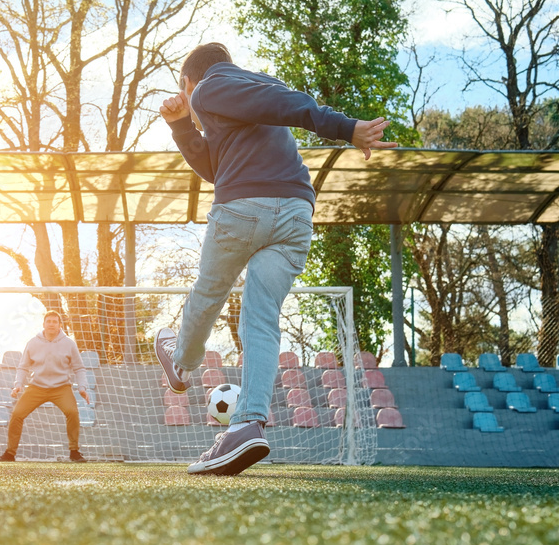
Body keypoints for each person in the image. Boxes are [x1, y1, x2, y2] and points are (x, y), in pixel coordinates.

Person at [155, 42, 397, 476]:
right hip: (295, 215)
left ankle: (180, 362)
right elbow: (217, 166)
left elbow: (287, 105)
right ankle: (247, 425)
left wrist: (346, 128)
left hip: (246, 207)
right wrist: (180, 127)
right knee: (261, 319)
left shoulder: (213, 85)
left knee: (209, 292)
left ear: (188, 83)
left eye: (184, 96)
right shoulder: (246, 90)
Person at [0, 310, 91, 462]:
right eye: (49, 321)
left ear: (60, 325)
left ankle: (74, 452)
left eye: (54, 322)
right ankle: (9, 453)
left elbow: (79, 367)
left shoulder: (69, 344)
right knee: (17, 414)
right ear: (44, 324)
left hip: (61, 388)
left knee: (72, 412)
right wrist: (18, 384)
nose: (51, 324)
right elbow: (23, 366)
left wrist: (82, 387)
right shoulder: (33, 343)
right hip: (37, 387)